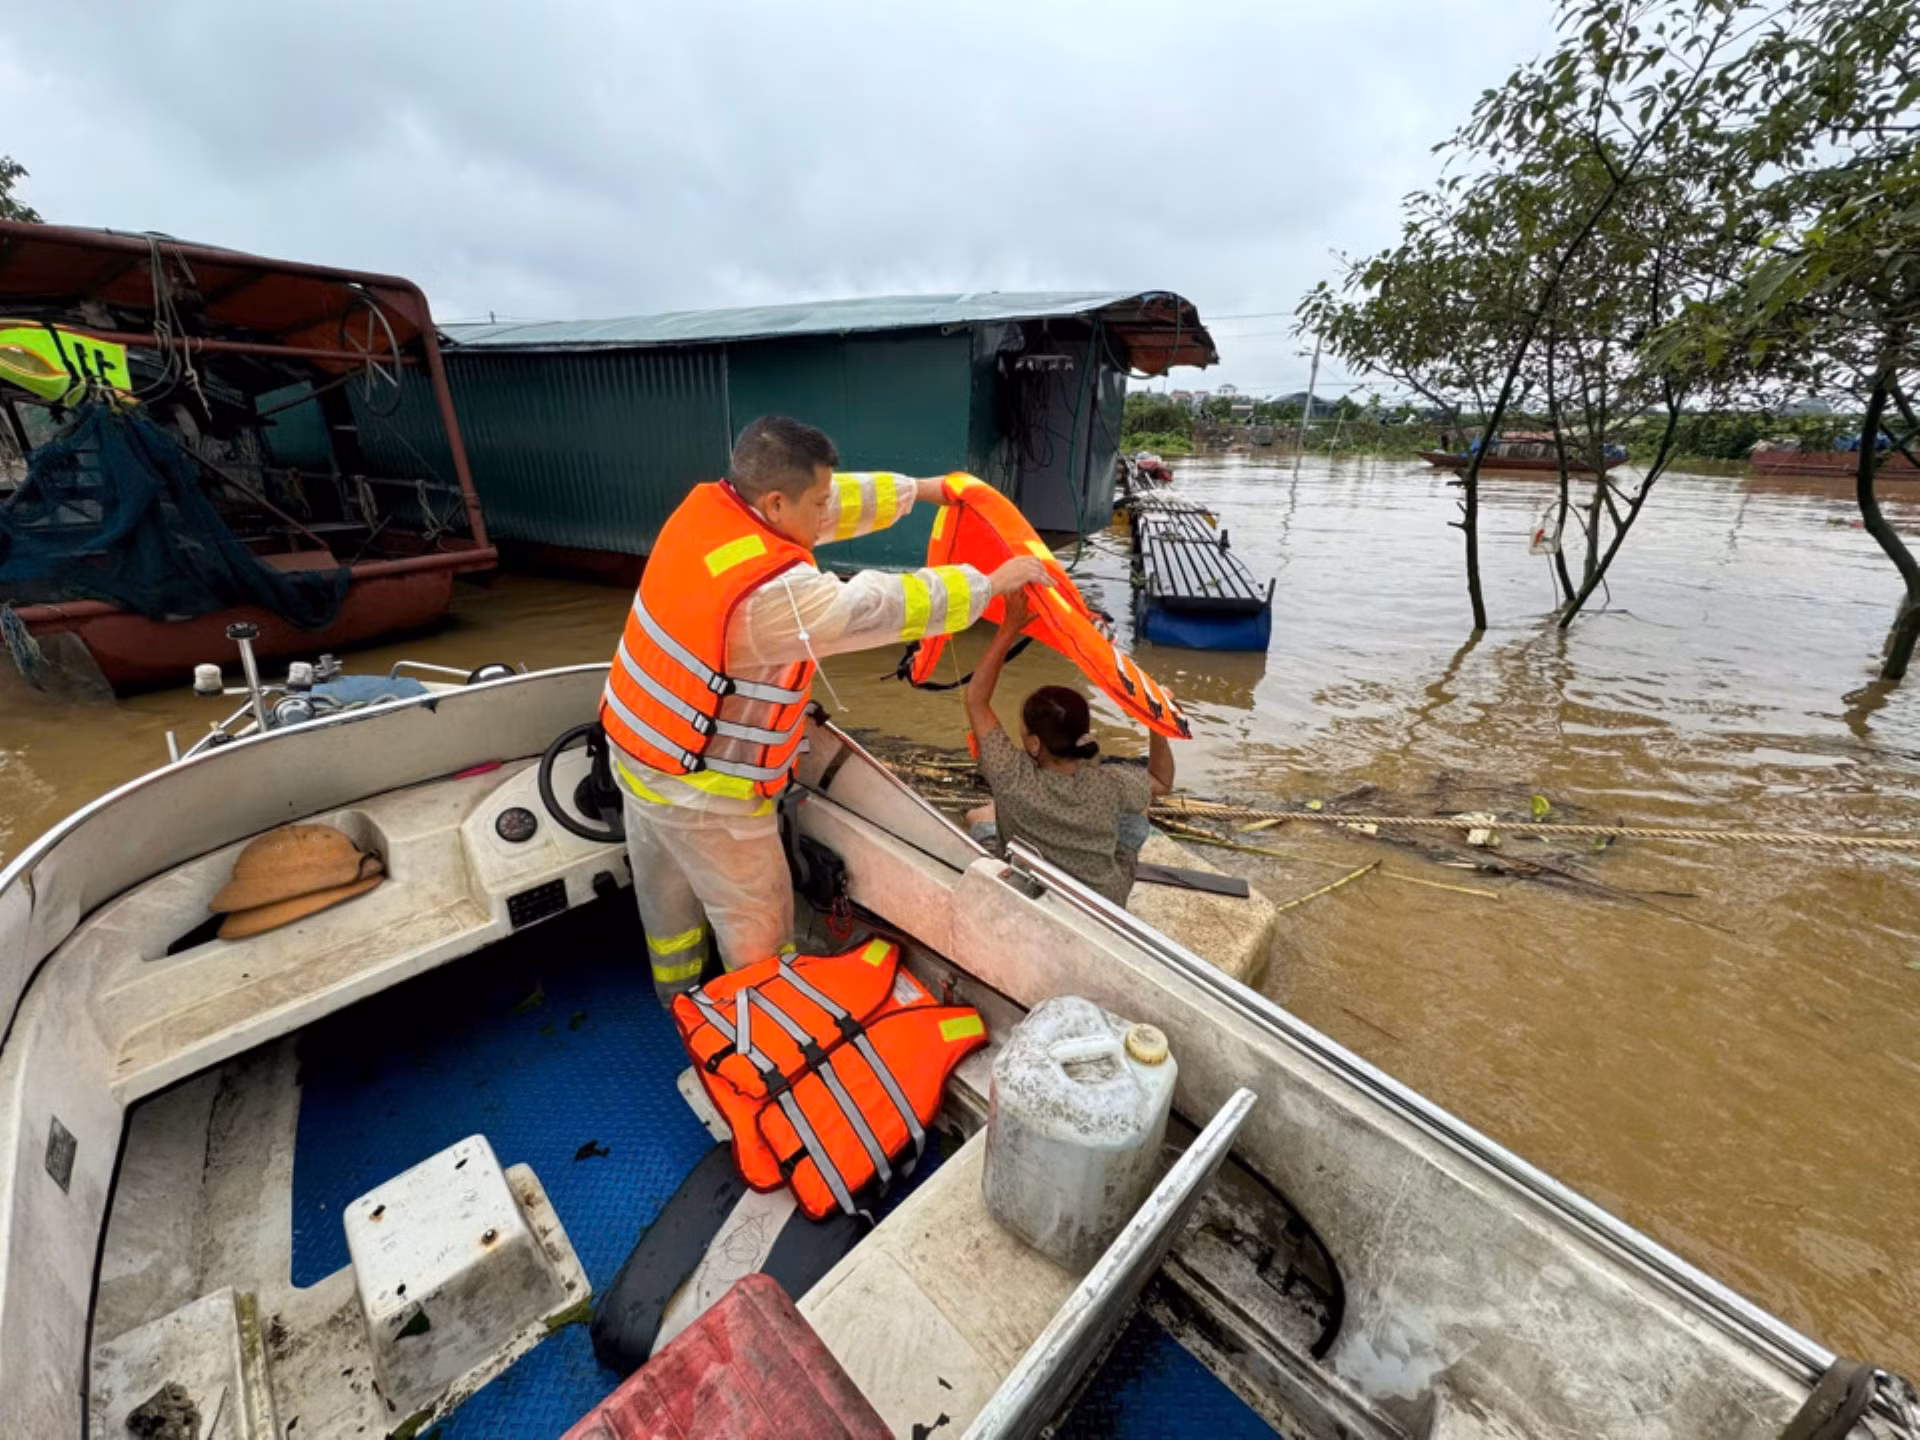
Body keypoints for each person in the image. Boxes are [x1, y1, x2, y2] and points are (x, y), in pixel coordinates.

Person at [603, 416, 1051, 1003]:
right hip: (709, 798)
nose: (827, 512)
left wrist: (925, 490)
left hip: (639, 759)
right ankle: (762, 1033)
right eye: (818, 502)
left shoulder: (710, 516)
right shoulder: (768, 597)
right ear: (775, 502)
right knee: (757, 922)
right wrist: (989, 585)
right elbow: (878, 607)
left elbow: (835, 501)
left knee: (668, 911)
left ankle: (678, 1001)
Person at [961, 591, 1174, 905]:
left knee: (978, 815)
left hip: (1031, 887)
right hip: (1102, 900)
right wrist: (1157, 722)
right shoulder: (1111, 784)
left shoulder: (1011, 775)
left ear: (1034, 743)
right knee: (1140, 803)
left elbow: (976, 700)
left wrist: (1010, 627)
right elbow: (1161, 781)